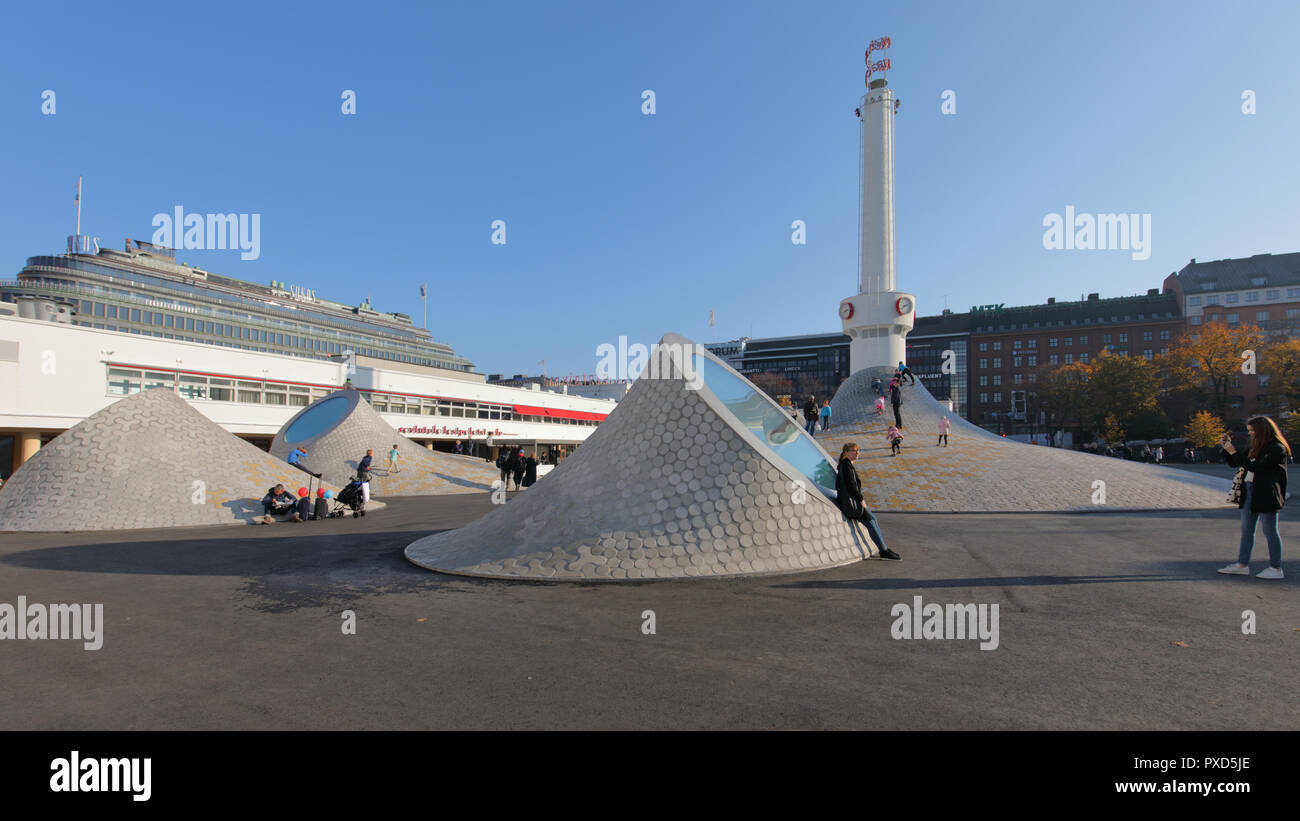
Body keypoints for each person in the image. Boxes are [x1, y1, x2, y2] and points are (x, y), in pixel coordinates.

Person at [1218, 417, 1289, 579]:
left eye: (1252, 430)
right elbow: (1237, 462)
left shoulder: (1277, 448)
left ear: (1263, 430)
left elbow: (1256, 466)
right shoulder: (1254, 445)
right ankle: (1242, 564)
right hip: (1249, 490)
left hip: (1266, 493)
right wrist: (1227, 449)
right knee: (1247, 530)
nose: (1250, 434)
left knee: (1270, 531)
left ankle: (1276, 568)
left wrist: (1235, 453)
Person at [834, 442, 900, 560]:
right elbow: (851, 486)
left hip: (852, 501)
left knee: (873, 520)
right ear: (846, 453)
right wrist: (860, 500)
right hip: (853, 503)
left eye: (858, 450)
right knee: (871, 522)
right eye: (854, 450)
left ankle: (884, 548)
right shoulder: (846, 466)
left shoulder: (847, 465)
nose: (857, 453)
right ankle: (883, 550)